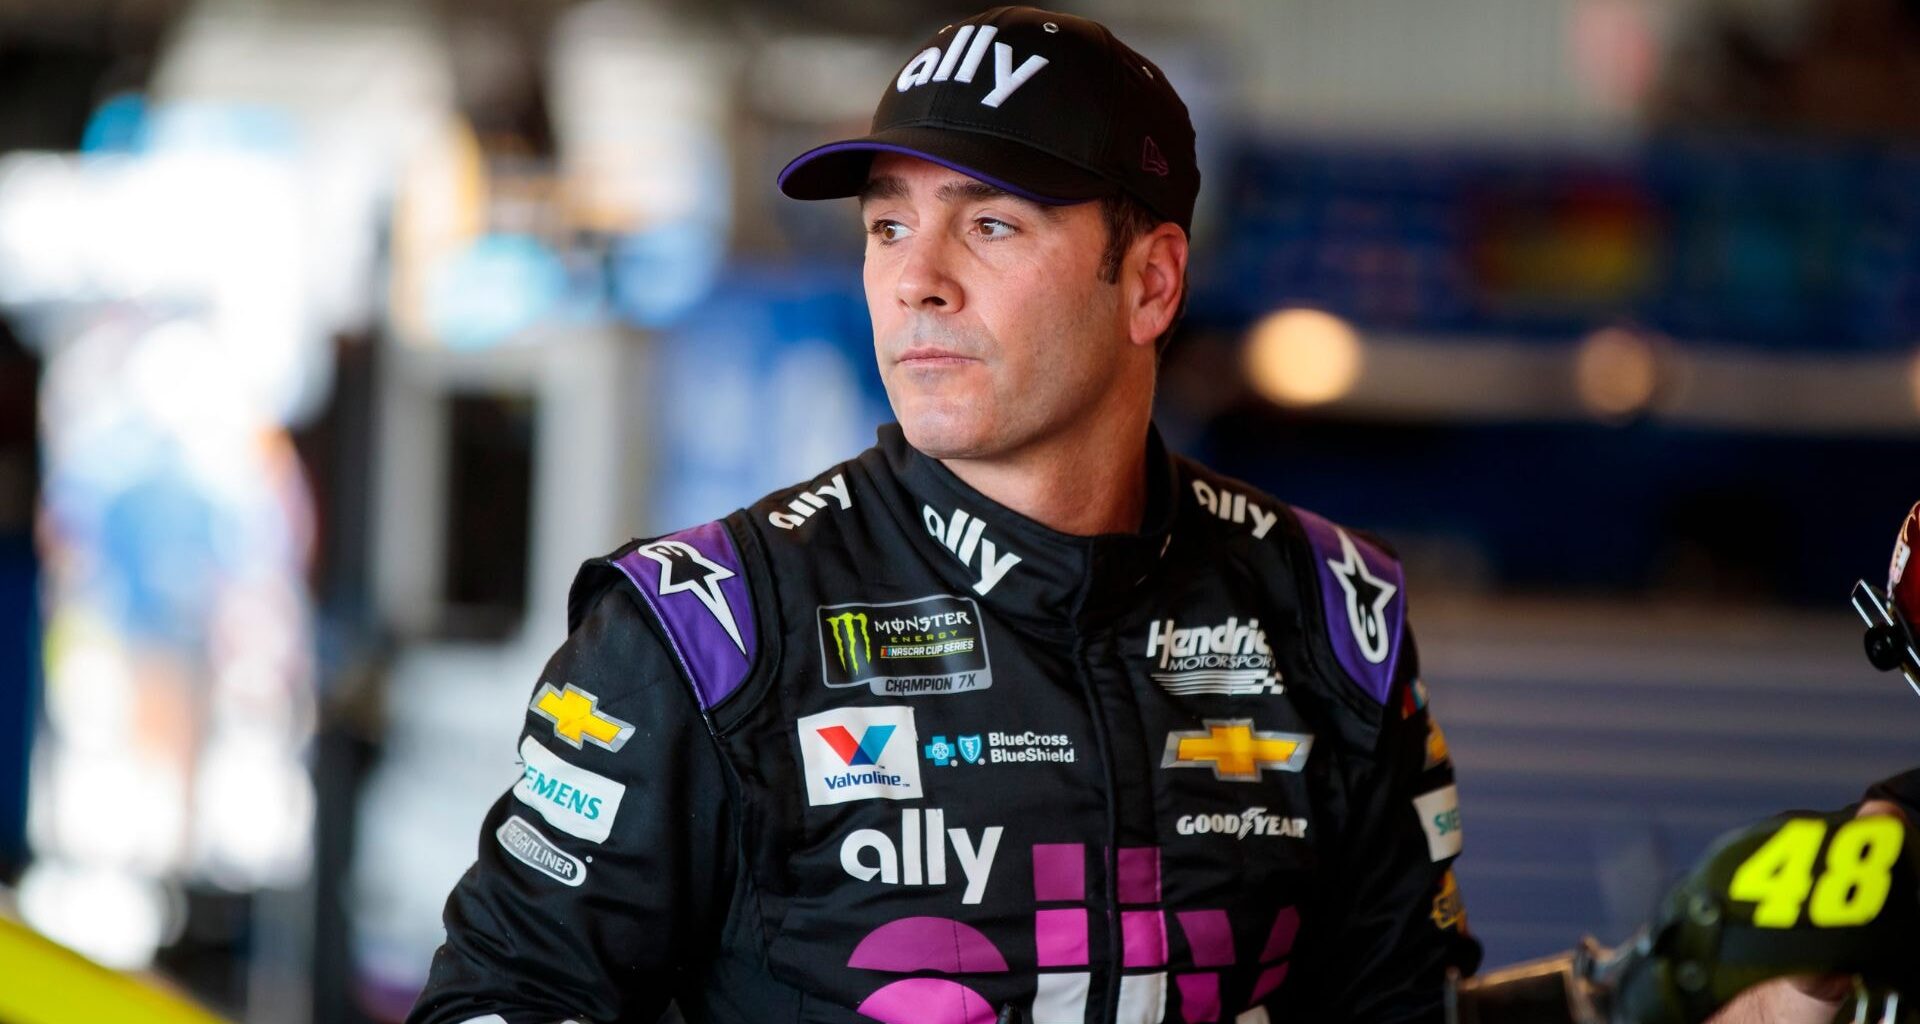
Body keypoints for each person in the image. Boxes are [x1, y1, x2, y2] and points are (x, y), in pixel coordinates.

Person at [407, 7, 1482, 1022]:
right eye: (887, 224)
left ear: (1151, 284)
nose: (916, 278)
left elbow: (1407, 1004)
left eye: (992, 224)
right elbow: (504, 994)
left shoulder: (1335, 616)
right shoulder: (702, 635)